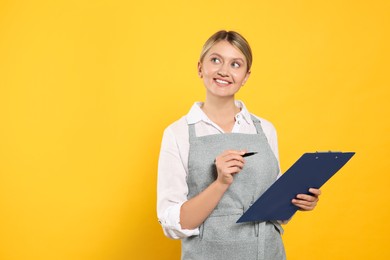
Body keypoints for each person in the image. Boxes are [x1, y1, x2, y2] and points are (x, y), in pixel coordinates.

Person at [157, 30, 321, 260]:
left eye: (236, 64)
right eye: (215, 60)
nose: (224, 71)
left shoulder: (264, 129)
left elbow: (276, 209)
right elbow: (173, 223)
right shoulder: (178, 133)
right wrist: (221, 182)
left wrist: (297, 200)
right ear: (200, 68)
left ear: (245, 76)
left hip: (268, 253)